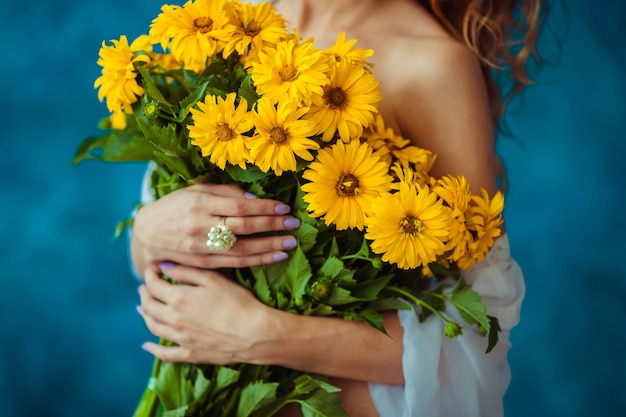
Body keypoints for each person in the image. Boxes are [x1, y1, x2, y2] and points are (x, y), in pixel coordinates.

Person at [132, 0, 546, 415]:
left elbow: (472, 336)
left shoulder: (431, 62)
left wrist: (261, 334)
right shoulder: (232, 17)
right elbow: (155, 263)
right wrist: (148, 233)